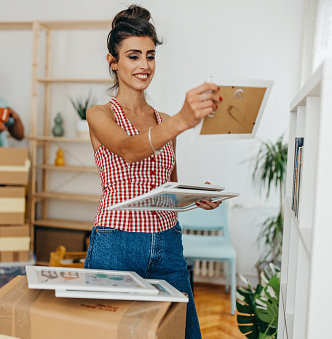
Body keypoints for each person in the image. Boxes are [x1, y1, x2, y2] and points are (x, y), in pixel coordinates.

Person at [84, 5, 222, 339]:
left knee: (184, 334)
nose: (144, 65)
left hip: (168, 243)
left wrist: (194, 196)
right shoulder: (99, 113)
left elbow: (166, 187)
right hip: (116, 242)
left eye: (150, 55)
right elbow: (129, 149)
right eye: (133, 56)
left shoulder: (163, 120)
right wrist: (182, 121)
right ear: (112, 61)